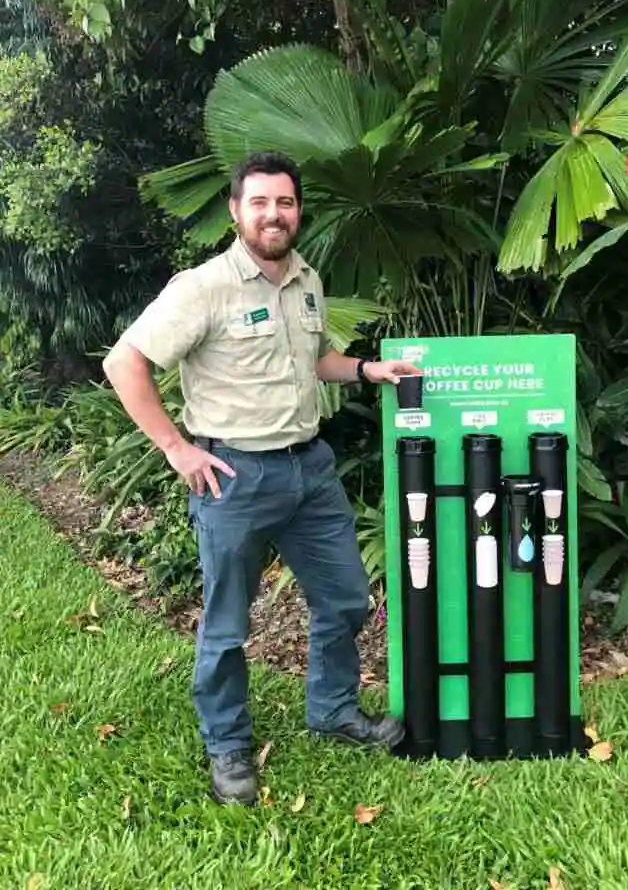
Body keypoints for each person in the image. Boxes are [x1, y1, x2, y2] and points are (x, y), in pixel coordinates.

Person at [103, 150, 420, 806]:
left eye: (285, 202)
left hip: (310, 470)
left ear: (298, 210)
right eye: (260, 202)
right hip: (234, 479)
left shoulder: (306, 279)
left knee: (345, 598)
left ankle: (332, 710)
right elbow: (123, 363)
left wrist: (366, 371)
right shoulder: (202, 287)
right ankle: (228, 747)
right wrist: (176, 449)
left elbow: (317, 357)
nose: (274, 214)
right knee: (225, 627)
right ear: (235, 211)